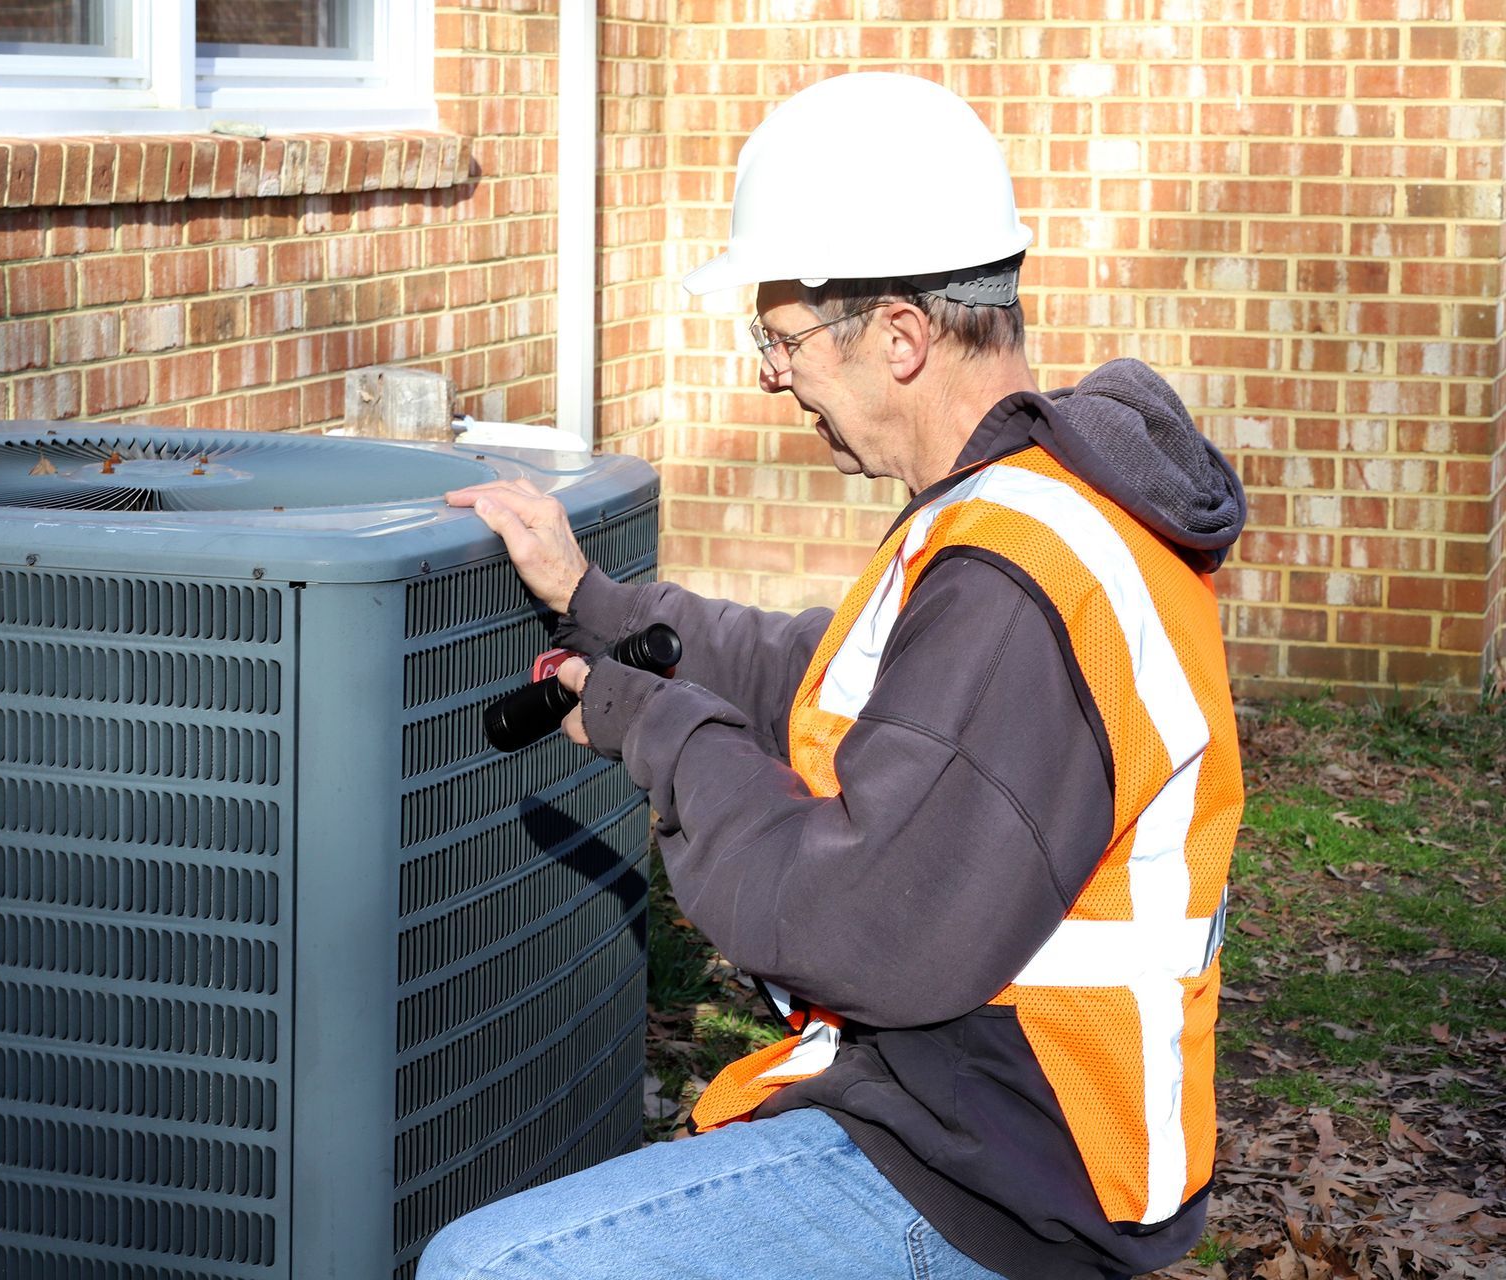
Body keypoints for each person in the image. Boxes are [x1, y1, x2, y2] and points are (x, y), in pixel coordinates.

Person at [422, 71, 1246, 1280]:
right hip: (974, 1112)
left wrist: (652, 724)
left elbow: (859, 920)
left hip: (1000, 1172)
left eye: (787, 337)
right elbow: (825, 676)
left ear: (903, 335)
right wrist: (596, 605)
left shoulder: (1018, 584)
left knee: (487, 1269)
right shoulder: (1021, 506)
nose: (771, 373)